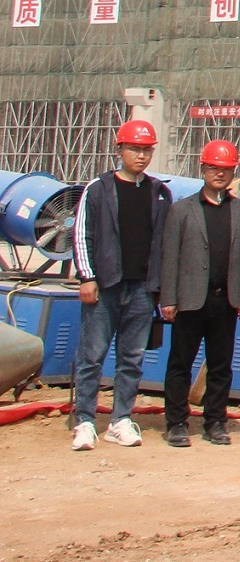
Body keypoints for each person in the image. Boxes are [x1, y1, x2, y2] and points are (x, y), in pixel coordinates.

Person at [70, 118, 170, 452]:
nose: (141, 156)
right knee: (92, 356)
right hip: (105, 286)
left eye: (146, 150)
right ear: (120, 149)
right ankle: (85, 421)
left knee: (132, 358)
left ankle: (120, 420)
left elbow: (163, 243)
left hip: (141, 289)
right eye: (134, 149)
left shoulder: (159, 193)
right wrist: (87, 277)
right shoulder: (98, 189)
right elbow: (82, 234)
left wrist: (160, 287)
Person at [157, 139, 240, 448]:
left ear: (233, 172)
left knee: (221, 365)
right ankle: (176, 422)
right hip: (190, 300)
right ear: (203, 169)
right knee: (180, 364)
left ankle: (215, 421)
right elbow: (169, 257)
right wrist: (168, 299)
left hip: (224, 300)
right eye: (213, 168)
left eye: (225, 169)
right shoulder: (182, 210)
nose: (219, 174)